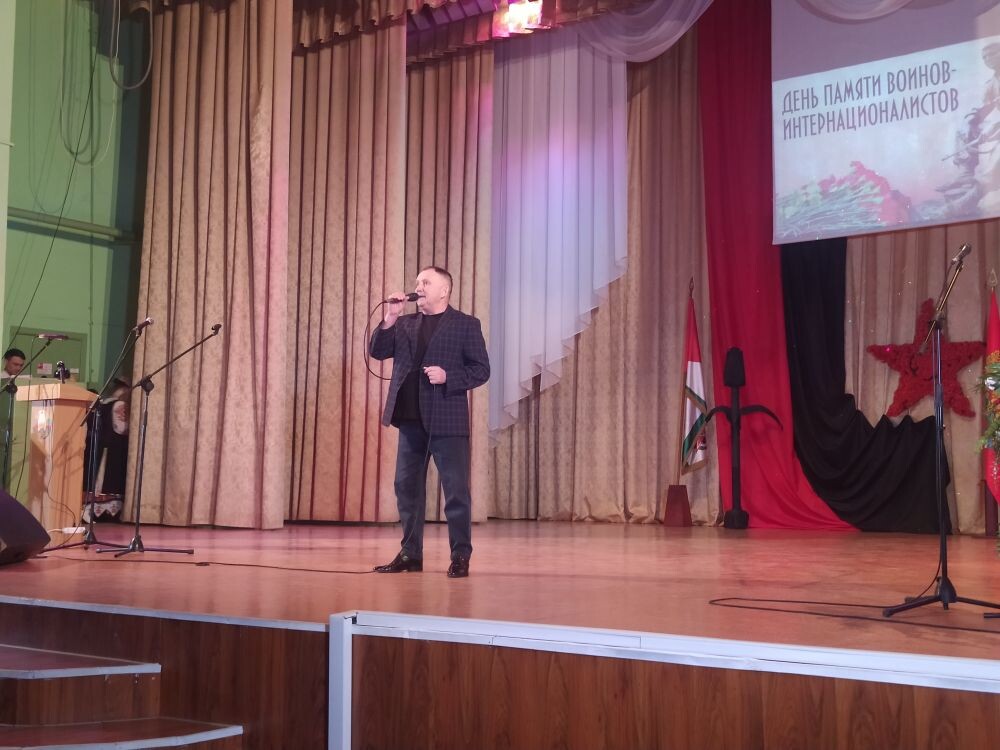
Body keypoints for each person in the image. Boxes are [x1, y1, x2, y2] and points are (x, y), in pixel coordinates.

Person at [369, 266, 490, 578]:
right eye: (417, 282)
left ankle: (460, 556)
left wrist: (449, 376)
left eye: (426, 282)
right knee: (406, 488)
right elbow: (377, 351)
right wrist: (391, 316)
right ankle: (410, 554)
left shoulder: (466, 324)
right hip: (410, 420)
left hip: (447, 422)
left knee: (455, 492)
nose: (418, 287)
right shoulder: (404, 323)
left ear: (444, 290)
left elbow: (481, 370)